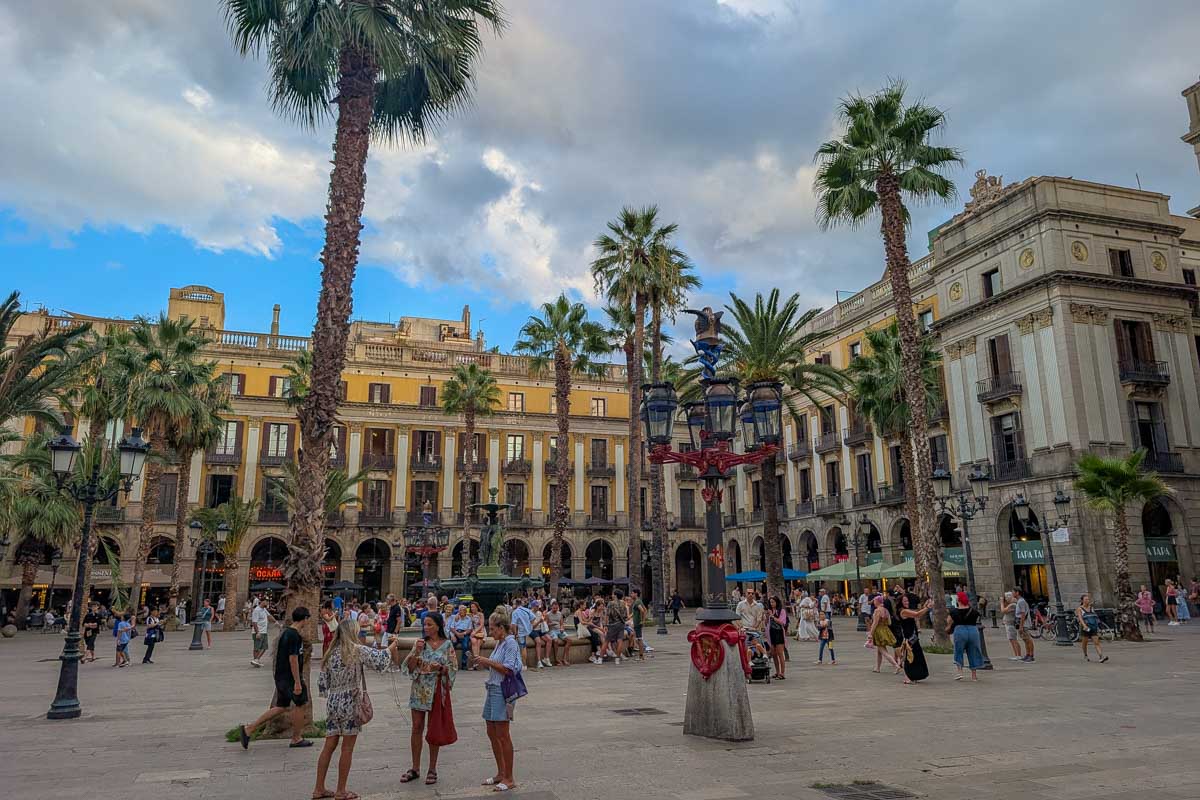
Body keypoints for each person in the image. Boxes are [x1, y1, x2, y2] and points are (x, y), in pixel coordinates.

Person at [313, 619, 401, 800]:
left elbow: (322, 683)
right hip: (350, 701)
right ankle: (341, 790)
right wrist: (392, 646)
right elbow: (379, 659)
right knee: (347, 748)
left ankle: (318, 788)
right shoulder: (355, 650)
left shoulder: (330, 654)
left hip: (333, 701)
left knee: (329, 745)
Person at [239, 607, 313, 750]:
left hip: (281, 676)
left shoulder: (286, 633)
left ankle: (249, 729)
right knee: (301, 704)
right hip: (290, 677)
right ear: (305, 619)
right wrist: (297, 682)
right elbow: (293, 659)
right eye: (308, 619)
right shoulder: (294, 636)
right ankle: (296, 738)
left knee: (282, 706)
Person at [398, 611, 456, 786]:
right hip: (419, 688)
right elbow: (407, 667)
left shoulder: (447, 645)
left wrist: (442, 669)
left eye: (430, 624)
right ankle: (415, 767)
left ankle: (432, 768)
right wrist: (416, 653)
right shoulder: (420, 643)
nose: (426, 627)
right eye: (425, 624)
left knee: (433, 728)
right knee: (416, 727)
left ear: (438, 626)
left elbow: (453, 668)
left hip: (437, 689)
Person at [476, 611, 521, 792]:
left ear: (502, 628)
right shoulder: (500, 643)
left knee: (503, 734)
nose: (490, 631)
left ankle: (509, 777)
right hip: (492, 689)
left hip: (502, 691)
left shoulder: (510, 643)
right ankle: (501, 772)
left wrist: (487, 661)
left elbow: (509, 669)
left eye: (492, 628)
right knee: (491, 731)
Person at [897, 593, 931, 684]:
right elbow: (917, 615)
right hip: (909, 637)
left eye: (907, 600)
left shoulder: (906, 610)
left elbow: (917, 613)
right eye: (904, 601)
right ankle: (907, 676)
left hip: (913, 636)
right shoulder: (903, 611)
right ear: (900, 602)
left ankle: (914, 675)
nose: (907, 602)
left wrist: (925, 606)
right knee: (909, 657)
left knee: (915, 656)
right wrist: (927, 608)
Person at [948, 602, 983, 681]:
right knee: (973, 652)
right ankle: (974, 676)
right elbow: (978, 618)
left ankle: (960, 672)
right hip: (973, 631)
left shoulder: (954, 611)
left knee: (958, 651)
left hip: (960, 631)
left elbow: (948, 621)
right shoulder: (974, 611)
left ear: (958, 601)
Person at [866, 596, 899, 672]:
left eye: (874, 601)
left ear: (877, 601)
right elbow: (889, 622)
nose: (874, 602)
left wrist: (870, 633)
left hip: (878, 631)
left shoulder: (877, 610)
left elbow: (875, 623)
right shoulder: (886, 610)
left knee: (883, 651)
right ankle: (877, 668)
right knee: (879, 650)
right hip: (885, 629)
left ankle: (896, 665)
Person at [767, 596, 788, 680]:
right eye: (771, 602)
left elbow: (782, 622)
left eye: (773, 602)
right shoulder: (770, 611)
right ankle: (777, 671)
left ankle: (782, 673)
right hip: (771, 633)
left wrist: (773, 616)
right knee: (774, 654)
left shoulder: (781, 611)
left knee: (780, 653)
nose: (772, 604)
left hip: (779, 633)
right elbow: (767, 623)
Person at [606, 591, 629, 664]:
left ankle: (600, 658)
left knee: (607, 641)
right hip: (621, 624)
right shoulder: (623, 603)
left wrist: (606, 625)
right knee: (620, 641)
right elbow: (625, 616)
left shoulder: (611, 603)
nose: (612, 595)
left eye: (613, 594)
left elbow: (607, 614)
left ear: (615, 595)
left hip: (612, 624)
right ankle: (618, 659)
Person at [448, 605, 474, 671]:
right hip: (456, 633)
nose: (460, 612)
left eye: (462, 610)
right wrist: (456, 634)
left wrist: (463, 633)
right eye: (459, 610)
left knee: (465, 646)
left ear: (465, 611)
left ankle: (464, 664)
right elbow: (451, 628)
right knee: (451, 645)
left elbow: (470, 629)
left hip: (464, 634)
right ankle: (451, 663)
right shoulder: (455, 617)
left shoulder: (468, 619)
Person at [510, 598, 534, 667]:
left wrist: (515, 633)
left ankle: (524, 665)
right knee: (523, 647)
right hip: (527, 631)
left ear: (516, 604)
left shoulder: (515, 612)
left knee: (522, 648)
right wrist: (529, 625)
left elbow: (513, 624)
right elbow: (533, 617)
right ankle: (523, 664)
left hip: (520, 632)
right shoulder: (527, 610)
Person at [1012, 588, 1035, 662]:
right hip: (1022, 623)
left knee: (1028, 640)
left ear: (1017, 592)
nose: (1012, 593)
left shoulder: (1021, 602)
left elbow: (1023, 614)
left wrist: (1021, 626)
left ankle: (1031, 655)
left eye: (1013, 592)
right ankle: (1028, 654)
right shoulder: (1020, 601)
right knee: (1025, 640)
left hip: (1024, 624)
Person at [545, 599, 570, 666]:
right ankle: (556, 659)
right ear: (551, 607)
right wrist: (551, 624)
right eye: (553, 608)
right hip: (551, 630)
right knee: (556, 641)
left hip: (559, 630)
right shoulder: (548, 614)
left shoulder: (560, 614)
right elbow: (545, 625)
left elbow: (561, 623)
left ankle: (564, 658)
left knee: (569, 640)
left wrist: (562, 628)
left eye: (556, 608)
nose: (555, 609)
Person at [251, 597, 274, 667]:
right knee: (257, 648)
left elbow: (270, 616)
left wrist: (277, 623)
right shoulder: (257, 610)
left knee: (264, 647)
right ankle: (256, 660)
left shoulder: (264, 609)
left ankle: (256, 660)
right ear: (262, 602)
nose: (267, 603)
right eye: (266, 601)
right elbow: (254, 622)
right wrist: (257, 632)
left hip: (264, 631)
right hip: (258, 631)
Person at [1000, 591, 1022, 661]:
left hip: (1010, 625)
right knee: (1012, 640)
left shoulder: (1012, 605)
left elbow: (1003, 610)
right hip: (1009, 624)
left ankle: (1018, 655)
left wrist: (1001, 603)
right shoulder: (1012, 604)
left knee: (1013, 640)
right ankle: (1017, 655)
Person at [528, 601, 550, 670]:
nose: (538, 607)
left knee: (549, 639)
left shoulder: (539, 613)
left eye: (538, 606)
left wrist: (544, 619)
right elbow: (532, 627)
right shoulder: (529, 614)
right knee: (539, 642)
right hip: (532, 630)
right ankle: (538, 661)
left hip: (540, 629)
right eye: (536, 606)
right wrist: (539, 622)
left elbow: (542, 623)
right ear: (533, 606)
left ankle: (546, 658)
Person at [469, 601, 487, 669]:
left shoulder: (480, 614)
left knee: (479, 643)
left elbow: (482, 625)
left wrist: (475, 631)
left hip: (480, 631)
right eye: (471, 607)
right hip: (473, 631)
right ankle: (476, 662)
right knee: (474, 642)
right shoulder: (470, 615)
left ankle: (475, 662)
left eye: (474, 607)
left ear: (477, 607)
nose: (472, 608)